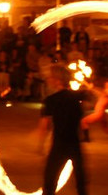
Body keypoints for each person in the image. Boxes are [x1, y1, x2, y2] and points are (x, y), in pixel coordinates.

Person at [37, 65, 88, 195]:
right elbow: (81, 119)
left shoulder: (51, 100)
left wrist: (40, 145)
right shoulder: (77, 98)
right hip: (75, 144)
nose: (48, 79)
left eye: (51, 77)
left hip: (59, 145)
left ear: (58, 80)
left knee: (50, 181)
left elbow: (44, 125)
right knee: (81, 183)